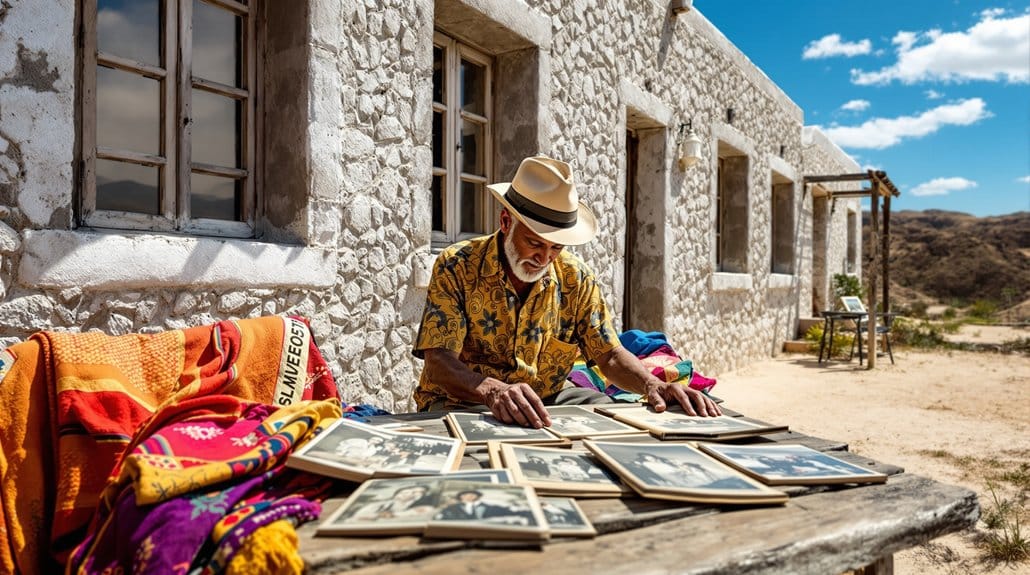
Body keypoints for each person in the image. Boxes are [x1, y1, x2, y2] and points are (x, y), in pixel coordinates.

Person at [413, 155, 720, 428]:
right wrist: (493, 390)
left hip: (546, 400)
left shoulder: (577, 279)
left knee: (611, 420)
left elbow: (609, 355)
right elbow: (439, 362)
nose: (544, 258)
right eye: (534, 243)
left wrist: (651, 384)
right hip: (463, 400)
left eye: (555, 247)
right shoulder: (457, 265)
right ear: (506, 222)